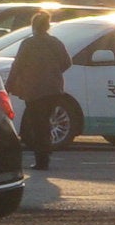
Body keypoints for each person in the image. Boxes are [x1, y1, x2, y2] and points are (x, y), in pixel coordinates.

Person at [7, 19, 71, 172]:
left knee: (37, 124)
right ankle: (45, 154)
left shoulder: (28, 43)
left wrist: (8, 85)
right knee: (45, 123)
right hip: (53, 89)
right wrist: (54, 72)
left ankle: (42, 160)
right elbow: (67, 62)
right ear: (47, 26)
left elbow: (17, 65)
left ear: (33, 26)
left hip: (34, 90)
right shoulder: (55, 42)